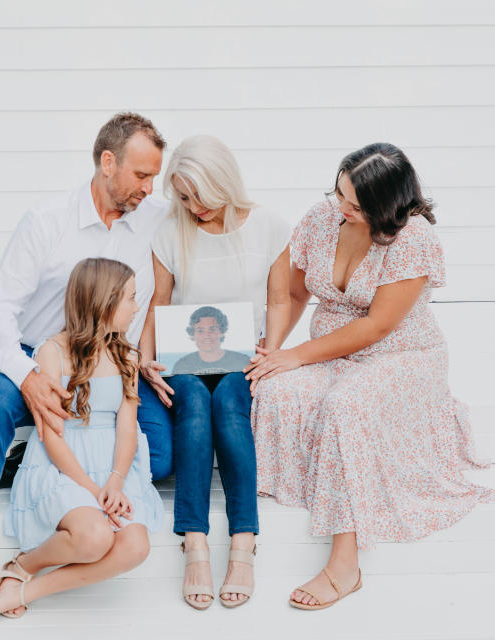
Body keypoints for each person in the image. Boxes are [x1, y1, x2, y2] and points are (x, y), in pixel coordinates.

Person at [245, 142, 495, 610]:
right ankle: (317, 483)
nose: (342, 209)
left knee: (347, 407)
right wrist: (274, 351)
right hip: (329, 354)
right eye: (339, 193)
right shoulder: (323, 217)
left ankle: (345, 564)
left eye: (356, 204)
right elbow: (295, 290)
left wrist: (300, 354)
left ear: (388, 207)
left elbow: (376, 325)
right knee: (272, 389)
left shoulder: (414, 238)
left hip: (400, 358)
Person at [0, 113, 174, 626]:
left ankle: (29, 457)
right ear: (107, 162)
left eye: (155, 176)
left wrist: (154, 355)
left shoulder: (153, 216)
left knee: (163, 452)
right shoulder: (47, 222)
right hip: (42, 356)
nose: (149, 187)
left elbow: (178, 266)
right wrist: (26, 376)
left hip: (112, 367)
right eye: (140, 175)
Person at [0, 258, 165, 630]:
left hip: (115, 466)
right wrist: (93, 491)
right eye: (129, 299)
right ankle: (24, 564)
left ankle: (21, 589)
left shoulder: (128, 354)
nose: (136, 308)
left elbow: (127, 427)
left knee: (135, 545)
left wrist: (115, 482)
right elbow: (52, 434)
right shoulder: (52, 352)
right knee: (93, 536)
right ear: (103, 302)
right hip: (64, 462)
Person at [139, 135, 291, 609]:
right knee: (195, 410)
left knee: (228, 404)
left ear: (223, 181)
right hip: (184, 356)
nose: (192, 206)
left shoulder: (269, 226)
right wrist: (145, 358)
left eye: (198, 195)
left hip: (241, 353)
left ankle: (243, 540)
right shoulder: (171, 230)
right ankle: (196, 541)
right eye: (182, 197)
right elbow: (158, 302)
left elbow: (280, 300)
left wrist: (272, 350)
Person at [170, 306, 251, 375]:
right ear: (193, 334)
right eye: (200, 330)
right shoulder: (182, 366)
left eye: (212, 329)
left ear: (222, 331)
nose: (206, 336)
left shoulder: (242, 361)